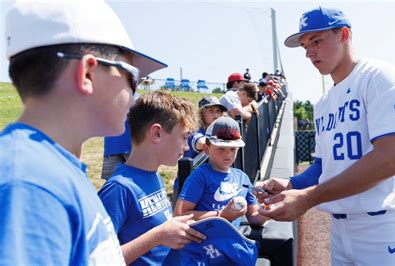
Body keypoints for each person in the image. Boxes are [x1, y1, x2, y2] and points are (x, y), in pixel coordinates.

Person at [255, 6, 395, 265]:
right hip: (340, 232)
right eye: (305, 45)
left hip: (384, 229)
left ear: (344, 34)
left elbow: (390, 159)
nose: (309, 52)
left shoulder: (379, 76)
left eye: (316, 41)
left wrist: (309, 197)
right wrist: (291, 185)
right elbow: (324, 165)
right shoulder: (324, 103)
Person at [0, 1, 168, 264]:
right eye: (133, 77)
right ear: (87, 73)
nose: (134, 94)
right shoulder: (30, 183)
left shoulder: (51, 168)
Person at [98, 92, 206, 265]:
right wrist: (159, 235)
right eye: (184, 137)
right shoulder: (119, 189)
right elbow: (98, 260)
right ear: (156, 133)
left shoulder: (154, 176)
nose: (186, 147)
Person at [174, 116, 269, 229]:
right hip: (203, 243)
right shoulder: (201, 176)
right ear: (206, 148)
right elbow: (179, 216)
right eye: (221, 148)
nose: (228, 154)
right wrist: (220, 215)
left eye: (233, 149)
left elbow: (254, 217)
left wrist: (269, 210)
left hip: (231, 244)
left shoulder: (242, 178)